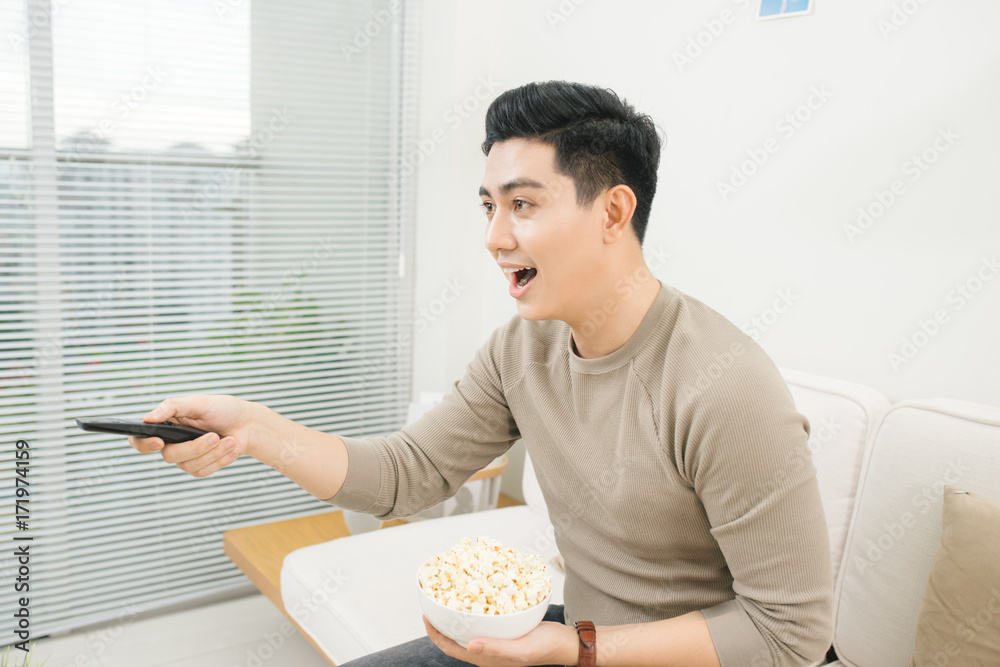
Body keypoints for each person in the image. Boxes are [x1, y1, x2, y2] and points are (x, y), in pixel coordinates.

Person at [129, 81, 834, 667]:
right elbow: (407, 473)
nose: (494, 236)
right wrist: (256, 429)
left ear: (614, 211)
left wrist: (578, 647)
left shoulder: (723, 385)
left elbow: (788, 635)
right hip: (578, 640)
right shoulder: (521, 350)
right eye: (489, 205)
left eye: (522, 204)